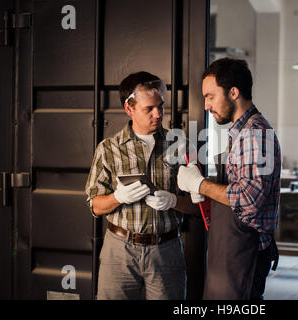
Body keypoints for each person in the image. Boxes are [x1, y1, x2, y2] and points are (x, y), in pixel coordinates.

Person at [85, 71, 200, 300]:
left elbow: (199, 207)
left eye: (161, 106)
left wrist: (175, 201)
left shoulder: (181, 145)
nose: (158, 114)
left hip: (166, 251)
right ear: (130, 109)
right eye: (149, 109)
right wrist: (118, 197)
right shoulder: (108, 149)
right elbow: (95, 206)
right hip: (119, 251)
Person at [177, 58, 281, 300]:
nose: (206, 105)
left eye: (211, 96)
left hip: (245, 255)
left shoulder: (255, 134)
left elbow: (248, 200)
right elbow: (240, 185)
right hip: (231, 252)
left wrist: (199, 184)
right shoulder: (241, 133)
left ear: (233, 92)